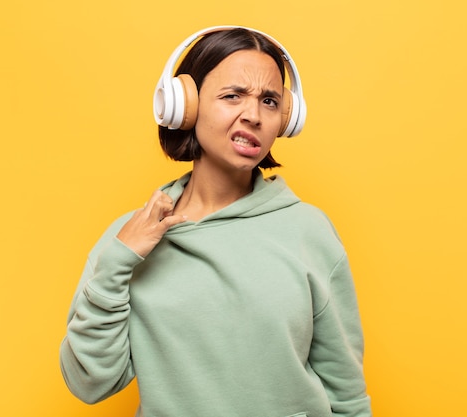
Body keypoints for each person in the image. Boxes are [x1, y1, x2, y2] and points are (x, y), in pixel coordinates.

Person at [60, 26, 372, 417]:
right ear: (185, 105)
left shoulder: (309, 230)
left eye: (270, 101)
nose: (253, 115)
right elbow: (89, 383)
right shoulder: (128, 238)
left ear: (286, 119)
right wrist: (117, 263)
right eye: (232, 96)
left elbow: (346, 391)